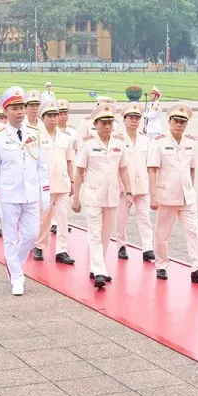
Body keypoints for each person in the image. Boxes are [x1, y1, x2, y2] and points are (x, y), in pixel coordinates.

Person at [0, 87, 50, 296]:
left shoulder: (34, 134)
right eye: (15, 108)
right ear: (6, 112)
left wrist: (45, 191)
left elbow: (42, 165)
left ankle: (14, 265)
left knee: (32, 235)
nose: (20, 112)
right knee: (10, 239)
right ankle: (17, 277)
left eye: (22, 107)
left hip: (31, 193)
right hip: (8, 195)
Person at [147, 104, 198, 283]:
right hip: (167, 196)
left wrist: (191, 189)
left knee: (193, 231)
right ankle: (161, 265)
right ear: (169, 121)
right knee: (162, 233)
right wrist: (153, 196)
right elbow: (152, 170)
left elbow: (192, 169)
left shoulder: (190, 143)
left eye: (183, 122)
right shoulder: (159, 143)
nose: (179, 125)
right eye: (176, 121)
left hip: (187, 197)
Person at [72, 103, 134, 289]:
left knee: (106, 234)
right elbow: (79, 172)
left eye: (110, 123)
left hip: (112, 195)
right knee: (94, 233)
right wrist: (76, 197)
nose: (107, 127)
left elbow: (123, 169)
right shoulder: (88, 145)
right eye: (103, 123)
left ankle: (96, 266)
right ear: (96, 124)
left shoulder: (118, 144)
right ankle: (100, 271)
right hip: (93, 195)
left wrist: (129, 191)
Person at [32, 100, 76, 265]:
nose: (53, 119)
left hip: (63, 183)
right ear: (42, 118)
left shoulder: (65, 138)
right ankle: (39, 245)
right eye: (49, 116)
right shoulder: (36, 136)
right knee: (44, 218)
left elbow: (70, 160)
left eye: (55, 115)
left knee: (63, 219)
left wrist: (72, 181)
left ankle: (62, 250)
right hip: (44, 185)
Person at [115, 102, 155, 262]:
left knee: (145, 218)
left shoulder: (145, 140)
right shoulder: (117, 139)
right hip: (125, 186)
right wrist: (120, 184)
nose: (134, 121)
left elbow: (150, 164)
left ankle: (147, 248)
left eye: (137, 118)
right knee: (121, 218)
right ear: (124, 120)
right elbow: (116, 165)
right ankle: (121, 245)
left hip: (142, 185)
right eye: (131, 118)